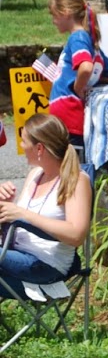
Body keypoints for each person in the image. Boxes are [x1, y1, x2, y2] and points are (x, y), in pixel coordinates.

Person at [0, 113, 91, 301]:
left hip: (45, 265)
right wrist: (7, 205)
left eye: (24, 141)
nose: (21, 147)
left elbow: (76, 235)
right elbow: (20, 222)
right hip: (16, 254)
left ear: (39, 148)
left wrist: (22, 214)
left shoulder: (76, 179)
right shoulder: (35, 175)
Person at [46, 0, 108, 140]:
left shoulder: (77, 37)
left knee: (70, 162)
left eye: (54, 15)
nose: (53, 21)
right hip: (72, 117)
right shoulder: (91, 44)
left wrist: (78, 87)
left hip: (68, 114)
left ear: (65, 12)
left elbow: (85, 67)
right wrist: (82, 80)